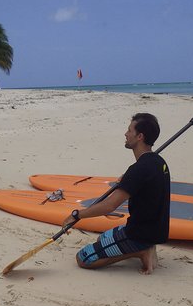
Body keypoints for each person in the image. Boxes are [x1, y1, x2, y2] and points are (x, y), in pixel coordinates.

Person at [62, 113, 170, 274]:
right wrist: (128, 181)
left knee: (84, 258)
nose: (125, 134)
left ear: (140, 136)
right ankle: (146, 247)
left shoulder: (139, 169)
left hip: (139, 234)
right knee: (103, 238)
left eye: (129, 130)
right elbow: (147, 187)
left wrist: (77, 215)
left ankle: (139, 250)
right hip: (157, 231)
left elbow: (110, 206)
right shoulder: (158, 161)